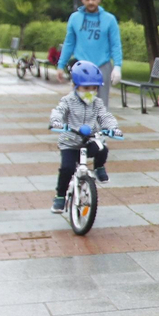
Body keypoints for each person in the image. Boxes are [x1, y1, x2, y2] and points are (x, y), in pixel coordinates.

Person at [49, 61, 118, 213]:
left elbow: (105, 116)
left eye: (94, 88)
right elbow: (59, 111)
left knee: (102, 148)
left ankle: (99, 168)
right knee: (67, 168)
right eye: (86, 88)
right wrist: (56, 121)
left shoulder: (97, 103)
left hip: (89, 139)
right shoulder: (68, 101)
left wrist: (112, 128)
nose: (91, 92)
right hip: (70, 141)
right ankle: (60, 197)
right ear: (75, 86)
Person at [58, 0, 124, 106]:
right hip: (81, 66)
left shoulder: (109, 19)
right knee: (79, 104)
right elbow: (69, 43)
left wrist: (118, 66)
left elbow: (115, 45)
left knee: (101, 104)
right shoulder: (75, 18)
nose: (91, 2)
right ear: (82, 0)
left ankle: (101, 125)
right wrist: (61, 65)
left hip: (102, 65)